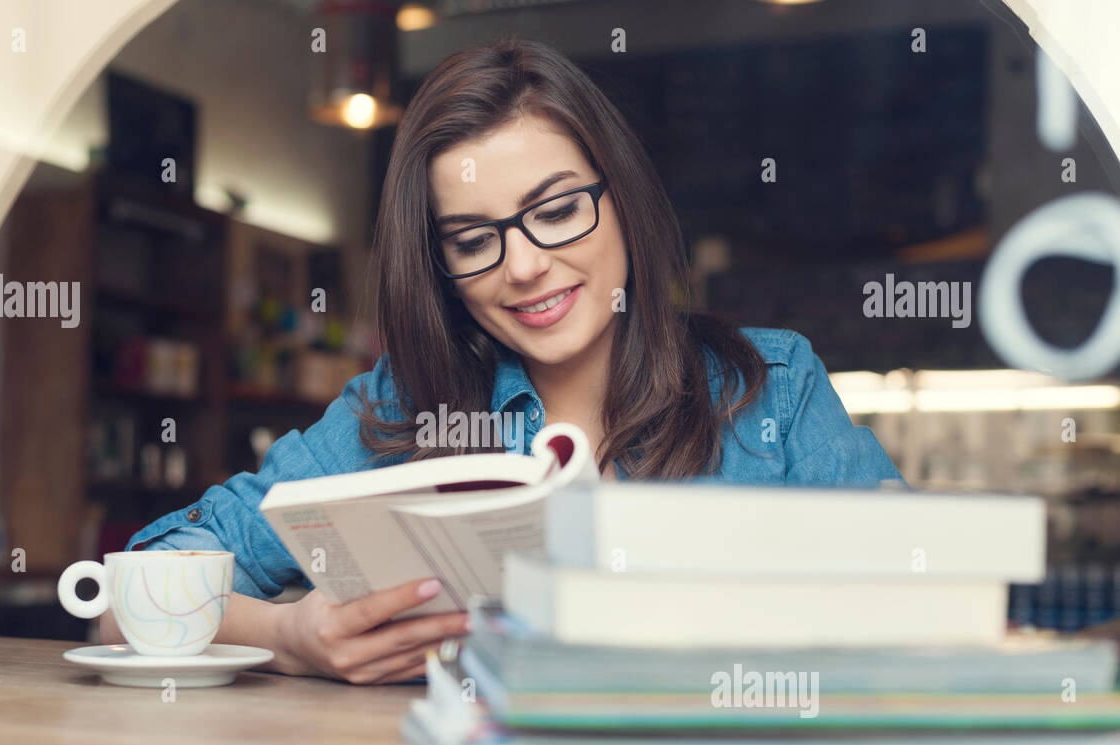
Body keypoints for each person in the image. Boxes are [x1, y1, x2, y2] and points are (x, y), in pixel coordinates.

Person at [107, 36, 903, 683]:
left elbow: (923, 605)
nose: (523, 266)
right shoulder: (399, 410)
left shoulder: (774, 389)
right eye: (474, 238)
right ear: (440, 264)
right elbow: (123, 598)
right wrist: (289, 635)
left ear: (621, 198)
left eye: (556, 210)